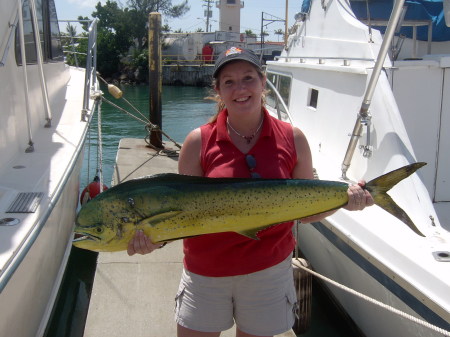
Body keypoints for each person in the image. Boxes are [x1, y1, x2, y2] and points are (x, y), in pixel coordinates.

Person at [127, 47, 374, 337]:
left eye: (248, 78)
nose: (240, 88)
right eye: (229, 82)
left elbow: (306, 213)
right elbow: (181, 215)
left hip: (268, 273)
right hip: (205, 273)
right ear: (218, 89)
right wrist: (152, 240)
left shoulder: (293, 138)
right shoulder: (198, 141)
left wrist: (346, 201)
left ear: (263, 82)